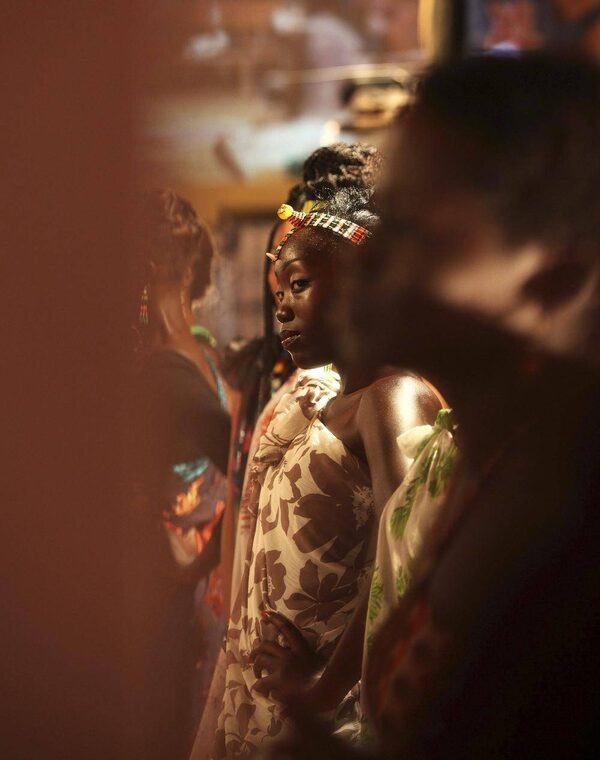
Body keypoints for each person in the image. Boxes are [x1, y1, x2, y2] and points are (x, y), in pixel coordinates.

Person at [269, 52, 600, 759]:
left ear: (555, 277)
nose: (365, 253)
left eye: (413, 230)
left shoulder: (571, 522)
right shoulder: (488, 465)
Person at [213, 185, 441, 758]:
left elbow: (401, 569)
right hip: (280, 701)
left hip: (335, 712)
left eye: (299, 284)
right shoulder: (331, 403)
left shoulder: (391, 398)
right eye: (277, 292)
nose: (282, 308)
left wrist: (322, 686)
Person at [131, 189, 230, 760]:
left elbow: (240, 466)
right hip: (182, 584)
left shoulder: (172, 361)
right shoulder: (195, 357)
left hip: (177, 589)